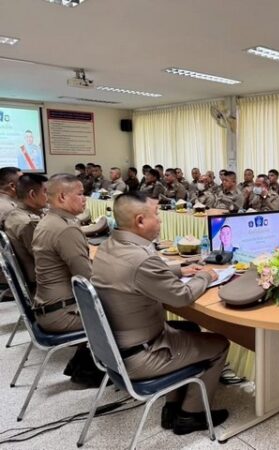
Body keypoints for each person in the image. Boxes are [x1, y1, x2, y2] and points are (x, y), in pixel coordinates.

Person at [91, 192, 229, 434]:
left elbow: (137, 275)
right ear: (140, 221)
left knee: (189, 327)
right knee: (219, 344)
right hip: (142, 355)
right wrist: (205, 275)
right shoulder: (140, 259)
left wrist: (180, 270)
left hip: (116, 349)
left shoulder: (108, 246)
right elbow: (182, 296)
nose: (160, 220)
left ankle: (172, 405)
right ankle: (191, 415)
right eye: (156, 215)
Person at [32, 174, 103, 386]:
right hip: (63, 313)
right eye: (80, 194)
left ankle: (82, 364)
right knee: (130, 312)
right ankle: (94, 369)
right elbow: (87, 281)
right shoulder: (66, 228)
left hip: (48, 308)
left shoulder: (48, 221)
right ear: (62, 197)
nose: (85, 199)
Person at [4, 174, 48, 286]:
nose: (49, 197)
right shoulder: (28, 223)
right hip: (41, 281)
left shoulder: (14, 214)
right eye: (45, 192)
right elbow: (45, 258)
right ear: (32, 194)